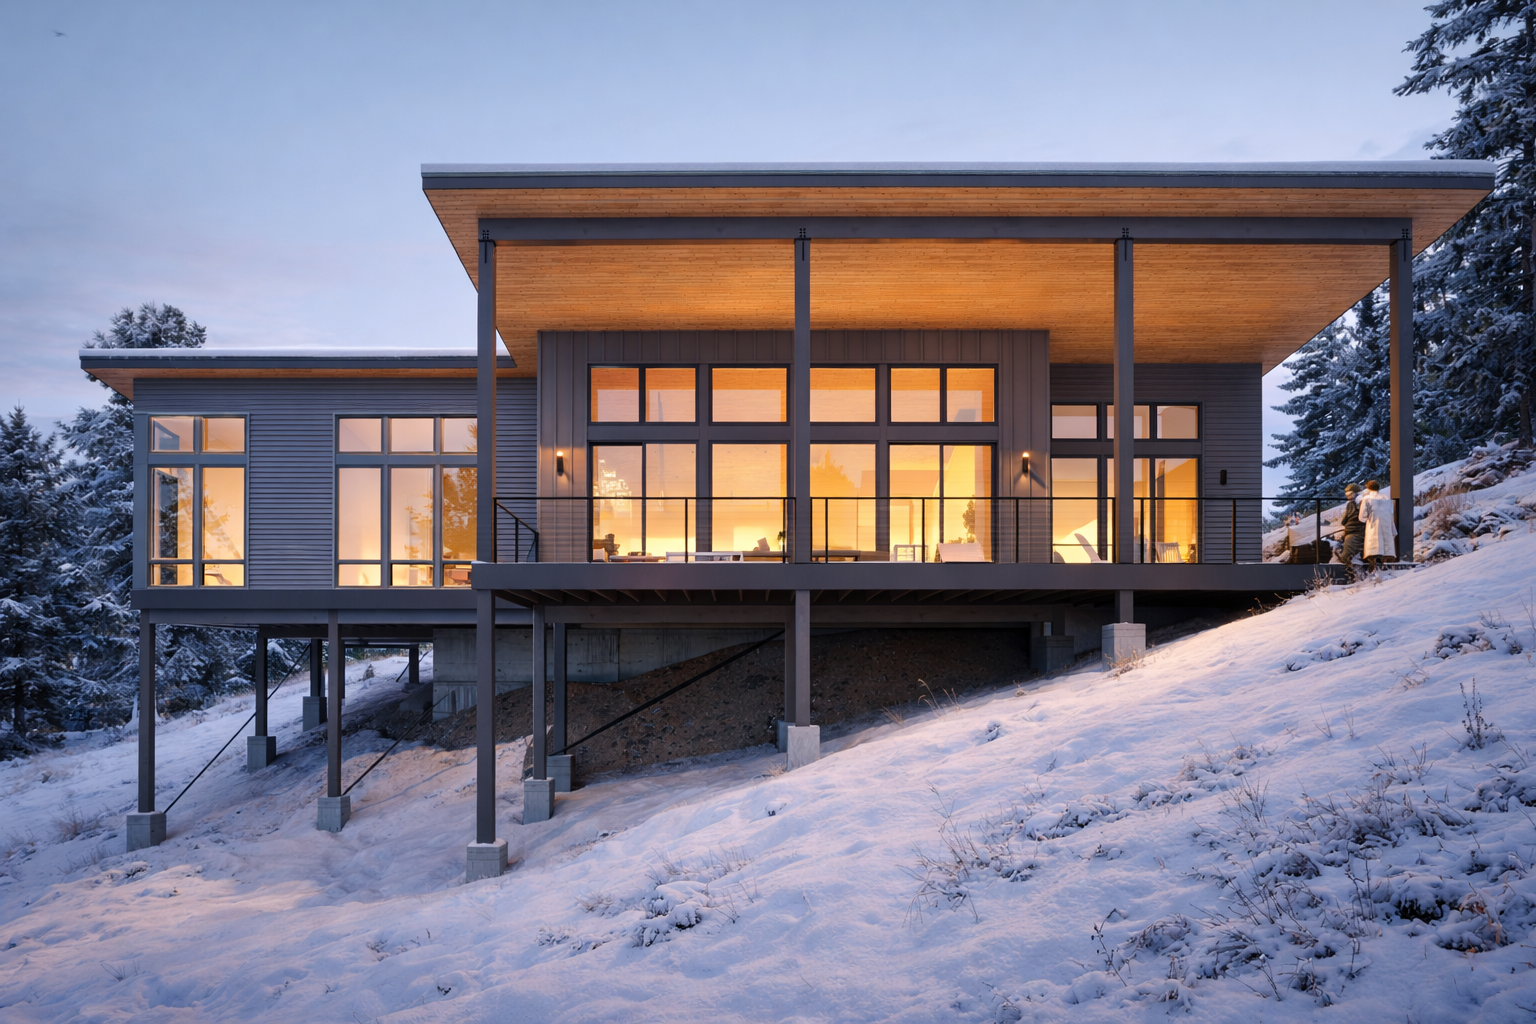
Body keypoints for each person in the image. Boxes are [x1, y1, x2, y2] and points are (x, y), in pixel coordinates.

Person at [1358, 479, 1396, 566]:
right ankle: (1383, 565)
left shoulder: (1367, 499)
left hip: (1373, 525)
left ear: (1368, 488)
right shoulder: (1387, 498)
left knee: (1374, 548)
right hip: (1386, 525)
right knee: (1385, 548)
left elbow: (1362, 517)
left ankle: (1374, 568)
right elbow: (1391, 513)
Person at [1339, 484, 1365, 566]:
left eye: (1350, 494)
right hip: (1359, 531)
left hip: (1354, 532)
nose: (1348, 497)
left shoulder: (1352, 504)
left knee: (1346, 556)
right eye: (1347, 495)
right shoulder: (1362, 501)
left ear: (1355, 493)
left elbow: (1343, 521)